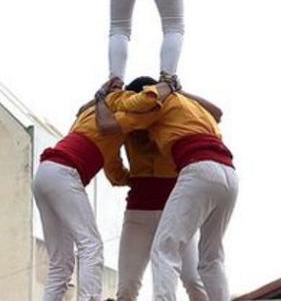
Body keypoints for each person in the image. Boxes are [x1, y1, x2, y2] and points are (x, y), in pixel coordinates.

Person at [100, 79, 236, 301]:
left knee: (190, 276)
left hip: (182, 197)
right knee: (128, 287)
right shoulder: (146, 119)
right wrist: (128, 179)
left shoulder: (159, 109)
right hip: (145, 209)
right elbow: (110, 154)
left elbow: (217, 113)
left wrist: (173, 90)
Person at [33, 79, 157, 301]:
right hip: (64, 172)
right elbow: (111, 126)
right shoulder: (125, 109)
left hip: (45, 172)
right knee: (91, 245)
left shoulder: (93, 112)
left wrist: (129, 179)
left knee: (61, 262)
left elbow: (112, 168)